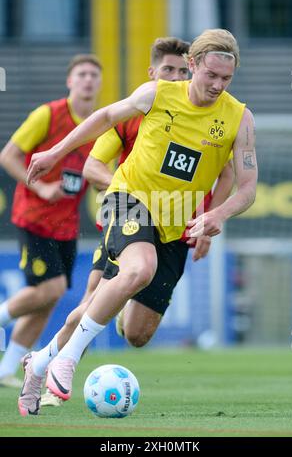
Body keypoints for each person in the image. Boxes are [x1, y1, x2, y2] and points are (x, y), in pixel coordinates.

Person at [19, 29, 257, 416]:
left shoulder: (239, 118)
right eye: (210, 75)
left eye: (225, 79)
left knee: (136, 332)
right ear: (193, 66)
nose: (217, 85)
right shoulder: (158, 94)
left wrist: (217, 214)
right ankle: (68, 359)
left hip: (175, 224)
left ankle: (41, 360)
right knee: (138, 269)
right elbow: (105, 116)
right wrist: (56, 151)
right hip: (126, 199)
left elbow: (247, 187)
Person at [0, 54, 102, 388]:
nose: (88, 80)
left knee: (48, 297)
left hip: (66, 225)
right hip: (34, 216)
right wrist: (41, 186)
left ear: (99, 83)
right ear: (69, 81)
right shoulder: (48, 114)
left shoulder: (100, 125)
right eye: (82, 74)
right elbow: (9, 155)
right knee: (50, 288)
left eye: (93, 75)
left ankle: (4, 370)